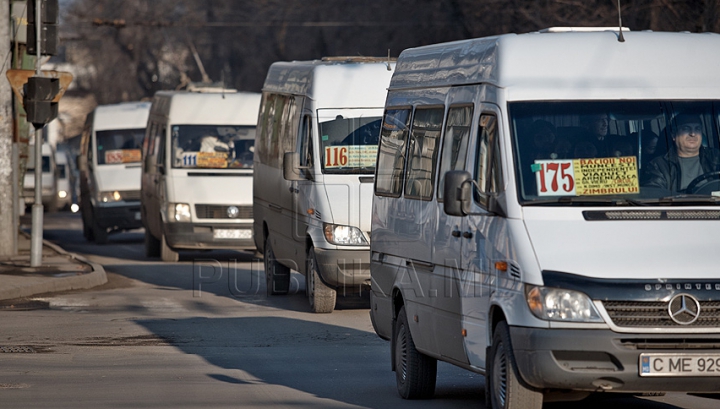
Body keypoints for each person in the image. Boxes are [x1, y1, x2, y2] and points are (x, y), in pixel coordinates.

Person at [643, 114, 720, 192]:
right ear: (673, 134)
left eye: (697, 129)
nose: (693, 134)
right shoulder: (659, 165)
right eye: (686, 128)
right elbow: (654, 193)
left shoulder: (715, 157)